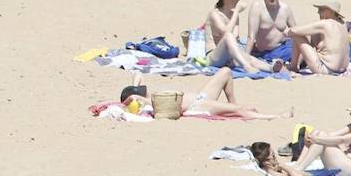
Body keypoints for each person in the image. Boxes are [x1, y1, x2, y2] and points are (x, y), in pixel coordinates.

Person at [119, 69, 291, 119]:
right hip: (197, 105)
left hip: (202, 96)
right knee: (243, 110)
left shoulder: (146, 98)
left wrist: (134, 84)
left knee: (225, 72)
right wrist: (128, 98)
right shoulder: (143, 102)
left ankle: (233, 104)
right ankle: (275, 116)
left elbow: (137, 74)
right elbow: (132, 98)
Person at [295, 95, 351, 176]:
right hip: (345, 161)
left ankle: (299, 169)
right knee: (318, 135)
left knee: (319, 140)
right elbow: (331, 135)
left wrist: (317, 139)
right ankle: (297, 165)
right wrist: (313, 136)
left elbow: (343, 140)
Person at [204, 0, 267, 74]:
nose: (238, 0)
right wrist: (237, 11)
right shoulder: (214, 14)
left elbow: (236, 37)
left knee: (250, 58)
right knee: (228, 36)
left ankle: (273, 68)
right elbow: (226, 33)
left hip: (229, 56)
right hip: (213, 57)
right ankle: (246, 66)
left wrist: (235, 13)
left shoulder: (233, 15)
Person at [286, 0, 351, 74]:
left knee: (296, 34)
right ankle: (298, 64)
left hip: (325, 69)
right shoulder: (342, 24)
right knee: (313, 34)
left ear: (330, 11)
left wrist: (285, 31)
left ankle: (293, 66)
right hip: (342, 69)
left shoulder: (325, 24)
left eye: (321, 9)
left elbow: (294, 30)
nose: (318, 12)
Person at [246, 0, 295, 69]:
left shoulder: (285, 8)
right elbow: (251, 36)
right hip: (266, 52)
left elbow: (296, 30)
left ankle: (293, 65)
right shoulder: (257, 8)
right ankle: (282, 64)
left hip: (285, 46)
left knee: (304, 44)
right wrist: (245, 61)